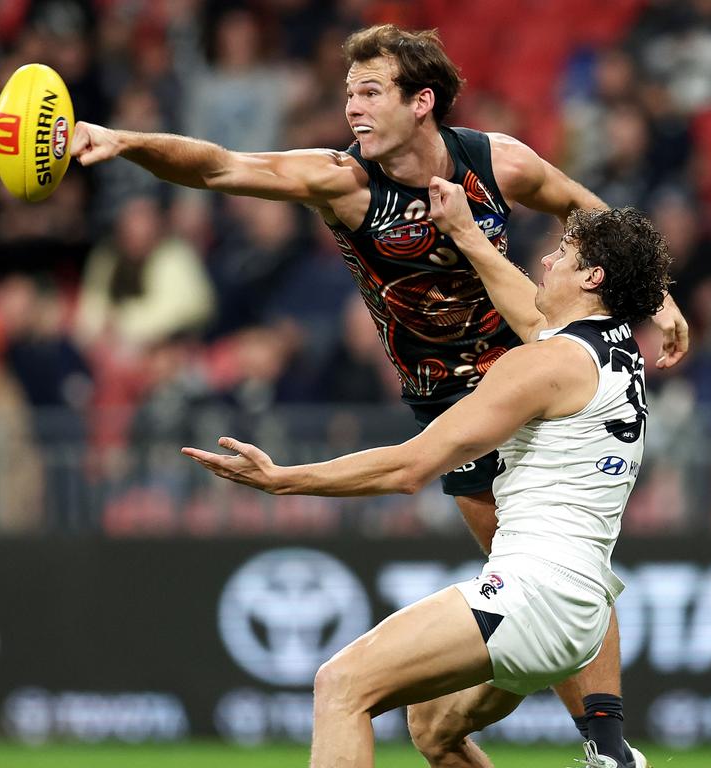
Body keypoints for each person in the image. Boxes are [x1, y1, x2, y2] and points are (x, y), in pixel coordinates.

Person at [71, 24, 688, 765]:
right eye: (347, 94)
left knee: (523, 582)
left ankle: (607, 745)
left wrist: (653, 296)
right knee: (449, 704)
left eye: (371, 92)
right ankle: (608, 743)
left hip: (531, 364)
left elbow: (592, 221)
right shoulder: (343, 181)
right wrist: (128, 141)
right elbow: (219, 167)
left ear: (421, 101)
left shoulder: (498, 163)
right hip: (457, 391)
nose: (353, 109)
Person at [182, 183, 672, 768]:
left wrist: (285, 478)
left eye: (563, 253)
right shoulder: (616, 351)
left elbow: (411, 466)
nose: (545, 260)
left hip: (531, 596)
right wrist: (467, 235)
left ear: (592, 278)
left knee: (341, 686)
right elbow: (526, 305)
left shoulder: (542, 365)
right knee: (433, 727)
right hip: (584, 610)